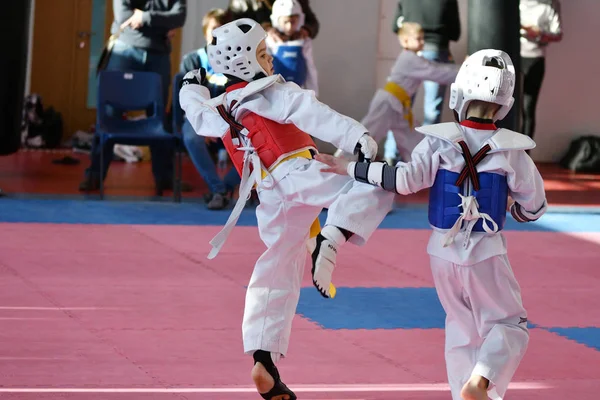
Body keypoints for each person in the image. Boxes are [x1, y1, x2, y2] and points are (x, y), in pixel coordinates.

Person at [179, 18, 394, 400]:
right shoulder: (271, 92)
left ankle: (264, 358)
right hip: (298, 171)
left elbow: (195, 112)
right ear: (245, 62)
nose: (271, 60)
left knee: (278, 266)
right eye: (263, 53)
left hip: (269, 192)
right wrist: (357, 135)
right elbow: (313, 113)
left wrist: (190, 87)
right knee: (379, 185)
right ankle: (332, 236)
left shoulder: (220, 107)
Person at [316, 49, 547, 400]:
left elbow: (402, 180)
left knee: (460, 328)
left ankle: (463, 393)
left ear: (459, 93)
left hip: (441, 252)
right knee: (509, 323)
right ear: (505, 103)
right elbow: (535, 206)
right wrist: (511, 205)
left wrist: (349, 167)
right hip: (485, 251)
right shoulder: (512, 151)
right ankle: (483, 380)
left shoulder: (438, 142)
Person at [80, 0, 186, 195]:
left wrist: (144, 17)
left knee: (159, 116)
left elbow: (179, 16)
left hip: (159, 55)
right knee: (110, 114)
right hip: (125, 50)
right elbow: (123, 15)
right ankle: (95, 174)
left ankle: (165, 177)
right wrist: (163, 24)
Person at [336, 22, 459, 162]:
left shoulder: (413, 58)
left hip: (399, 107)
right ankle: (340, 160)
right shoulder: (409, 59)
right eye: (418, 38)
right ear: (405, 41)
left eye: (422, 38)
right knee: (366, 135)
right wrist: (465, 70)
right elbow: (436, 72)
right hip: (388, 103)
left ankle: (419, 166)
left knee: (412, 140)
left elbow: (436, 69)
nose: (422, 42)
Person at [179, 8, 240, 209]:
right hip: (200, 118)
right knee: (191, 136)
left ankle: (224, 187)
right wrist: (205, 124)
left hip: (232, 119)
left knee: (260, 141)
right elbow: (189, 100)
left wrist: (223, 124)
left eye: (223, 30)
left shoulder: (241, 61)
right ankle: (219, 190)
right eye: (214, 29)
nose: (217, 34)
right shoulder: (192, 60)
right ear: (205, 31)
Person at [392, 0, 461, 126]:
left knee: (401, 108)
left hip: (409, 53)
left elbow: (395, 26)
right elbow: (455, 32)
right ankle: (428, 144)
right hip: (436, 49)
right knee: (432, 110)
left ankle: (392, 146)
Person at [520, 0, 562, 139]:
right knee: (506, 106)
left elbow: (558, 34)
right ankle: (503, 153)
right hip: (512, 56)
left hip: (534, 58)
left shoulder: (551, 4)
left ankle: (524, 155)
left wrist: (539, 34)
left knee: (528, 108)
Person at [266, 0, 318, 95]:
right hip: (275, 91)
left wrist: (313, 92)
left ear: (300, 19)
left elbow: (310, 68)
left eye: (293, 22)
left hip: (300, 90)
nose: (289, 27)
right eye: (285, 22)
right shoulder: (269, 41)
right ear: (276, 20)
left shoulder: (305, 42)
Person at [227, 0, 319, 41]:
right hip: (256, 58)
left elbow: (313, 23)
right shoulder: (239, 2)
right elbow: (232, 33)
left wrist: (305, 31)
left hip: (292, 53)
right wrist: (262, 31)